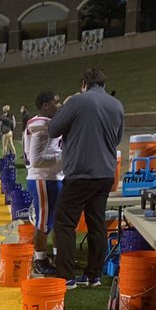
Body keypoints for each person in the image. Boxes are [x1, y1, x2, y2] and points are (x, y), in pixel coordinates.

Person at [48, 68, 124, 289]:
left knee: (64, 223)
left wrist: (67, 105)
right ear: (103, 83)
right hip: (105, 173)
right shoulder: (116, 105)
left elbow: (53, 129)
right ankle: (93, 276)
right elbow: (117, 138)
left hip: (81, 172)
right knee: (96, 224)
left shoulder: (77, 102)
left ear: (84, 84)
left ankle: (66, 276)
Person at [23, 92, 64, 276]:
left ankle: (58, 257)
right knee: (43, 223)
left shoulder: (47, 124)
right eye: (56, 102)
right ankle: (40, 260)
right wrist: (63, 158)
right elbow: (37, 160)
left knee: (56, 221)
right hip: (42, 178)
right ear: (45, 106)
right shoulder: (41, 126)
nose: (59, 105)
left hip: (51, 177)